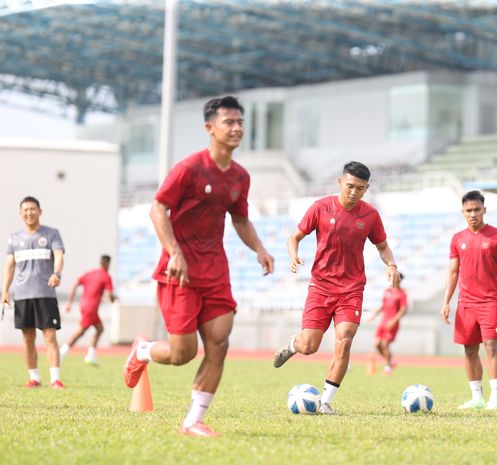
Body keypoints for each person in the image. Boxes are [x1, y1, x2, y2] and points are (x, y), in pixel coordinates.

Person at [122, 96, 274, 437]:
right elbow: (157, 209)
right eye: (228, 123)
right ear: (210, 128)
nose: (236, 128)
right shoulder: (189, 168)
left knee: (219, 342)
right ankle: (143, 350)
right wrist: (174, 252)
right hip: (180, 271)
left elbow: (240, 219)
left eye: (239, 122)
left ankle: (193, 420)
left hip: (216, 270)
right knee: (182, 353)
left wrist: (260, 249)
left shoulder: (239, 176)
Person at [272, 161, 400, 415]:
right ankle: (292, 345)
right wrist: (293, 255)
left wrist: (392, 265)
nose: (354, 192)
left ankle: (326, 401)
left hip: (351, 289)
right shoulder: (320, 208)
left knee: (345, 339)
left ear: (367, 188)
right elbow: (294, 237)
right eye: (350, 186)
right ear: (340, 182)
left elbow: (382, 246)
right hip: (320, 286)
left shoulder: (370, 215)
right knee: (310, 346)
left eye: (360, 188)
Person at [440, 190, 497, 410]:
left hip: (490, 301)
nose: (473, 214)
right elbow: (453, 272)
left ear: (484, 210)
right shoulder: (457, 239)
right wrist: (446, 301)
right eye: (469, 210)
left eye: (477, 210)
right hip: (466, 303)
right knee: (469, 350)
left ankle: (496, 398)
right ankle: (476, 398)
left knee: (491, 346)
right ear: (462, 212)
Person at [2, 196, 66, 389]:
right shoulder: (14, 238)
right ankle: (34, 378)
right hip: (22, 295)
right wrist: (5, 290)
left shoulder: (52, 234)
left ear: (40, 211)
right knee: (28, 338)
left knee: (49, 336)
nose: (29, 213)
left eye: (32, 209)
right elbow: (9, 267)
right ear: (21, 213)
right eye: (25, 210)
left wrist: (57, 273)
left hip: (45, 293)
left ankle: (55, 379)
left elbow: (59, 255)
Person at [60, 255, 117, 366]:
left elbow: (75, 285)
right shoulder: (106, 276)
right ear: (107, 264)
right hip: (91, 308)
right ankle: (62, 351)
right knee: (81, 331)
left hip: (84, 305)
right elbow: (110, 296)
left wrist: (69, 303)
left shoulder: (90, 273)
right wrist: (115, 299)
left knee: (100, 329)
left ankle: (91, 355)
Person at [366, 273, 408, 375]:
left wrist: (394, 321)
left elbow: (403, 310)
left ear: (400, 280)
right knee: (377, 344)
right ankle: (390, 361)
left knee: (385, 344)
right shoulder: (387, 291)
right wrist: (374, 314)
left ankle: (388, 365)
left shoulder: (402, 294)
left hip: (392, 323)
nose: (394, 280)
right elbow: (383, 306)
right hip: (383, 322)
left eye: (397, 279)